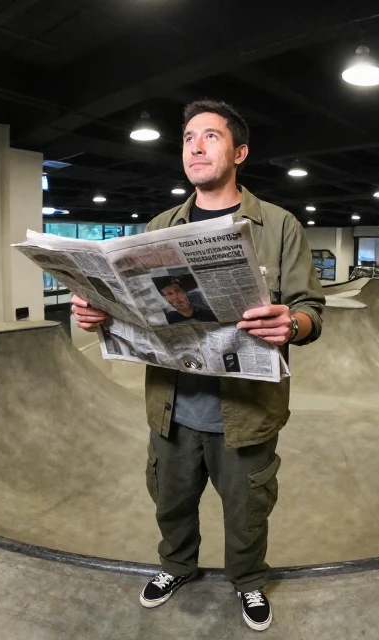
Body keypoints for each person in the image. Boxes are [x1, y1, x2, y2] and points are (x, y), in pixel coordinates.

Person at [72, 100, 324, 632]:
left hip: (245, 411)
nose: (195, 146)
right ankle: (175, 567)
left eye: (211, 136)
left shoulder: (277, 226)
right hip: (173, 407)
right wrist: (98, 312)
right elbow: (135, 311)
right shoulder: (161, 225)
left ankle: (249, 580)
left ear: (240, 152)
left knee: (247, 509)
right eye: (188, 137)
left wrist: (293, 325)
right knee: (171, 500)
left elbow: (310, 309)